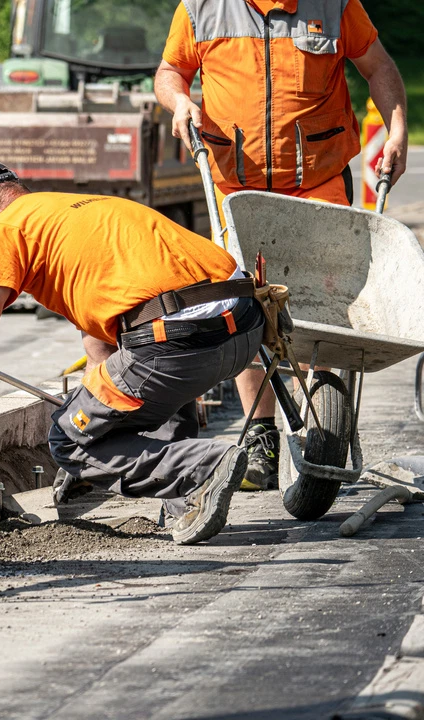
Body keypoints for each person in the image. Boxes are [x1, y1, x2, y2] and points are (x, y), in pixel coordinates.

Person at [0, 160, 266, 546]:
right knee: (145, 392)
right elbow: (103, 355)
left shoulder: (2, 230)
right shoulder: (75, 211)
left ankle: (205, 467)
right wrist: (94, 432)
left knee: (67, 439)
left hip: (176, 343)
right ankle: (186, 502)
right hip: (243, 330)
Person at [155, 0, 408, 491]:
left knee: (322, 308)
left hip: (318, 184)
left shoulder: (333, 6)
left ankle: (322, 422)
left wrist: (396, 130)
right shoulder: (203, 8)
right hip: (238, 189)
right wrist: (179, 100)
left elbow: (379, 66)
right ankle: (260, 437)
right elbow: (171, 71)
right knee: (241, 308)